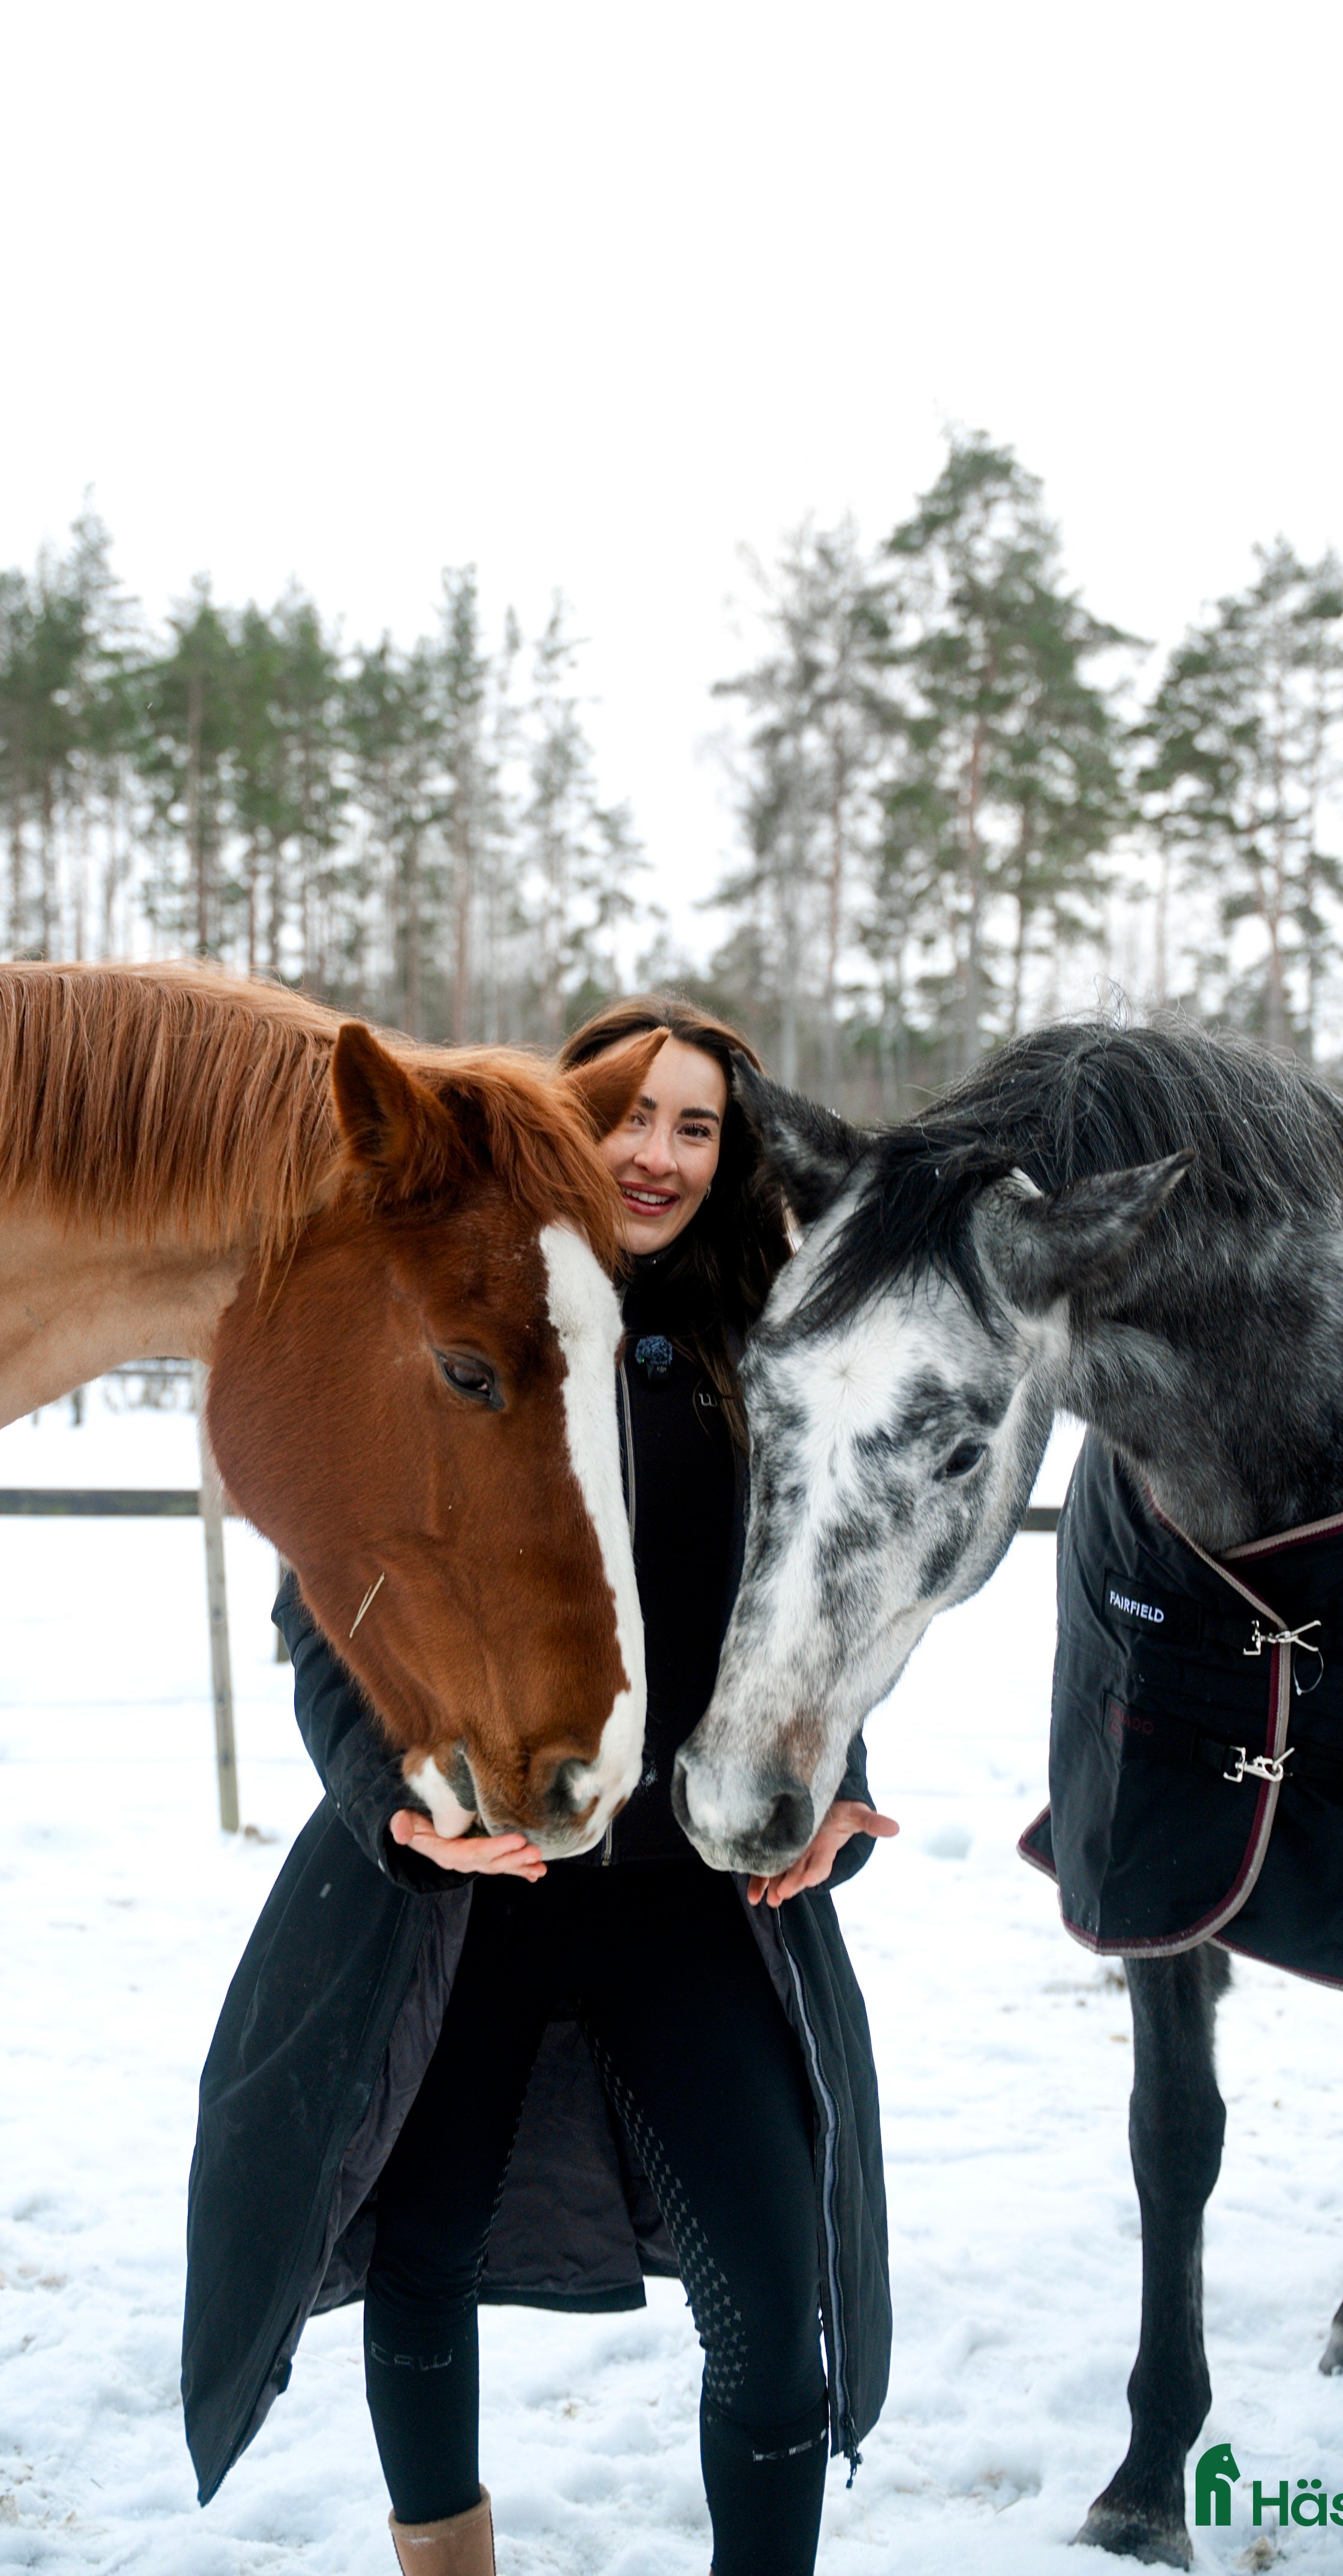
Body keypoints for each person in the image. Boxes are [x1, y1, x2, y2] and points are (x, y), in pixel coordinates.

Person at [181, 996, 895, 2576]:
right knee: (422, 2255)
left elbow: (819, 1611)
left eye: (696, 1125)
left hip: (686, 1901)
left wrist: (831, 1780)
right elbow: (329, 1602)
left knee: (778, 2313)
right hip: (472, 1893)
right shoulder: (438, 1315)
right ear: (565, 1127)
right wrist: (389, 1798)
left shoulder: (773, 1358)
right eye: (624, 1113)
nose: (654, 1150)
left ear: (733, 1155)